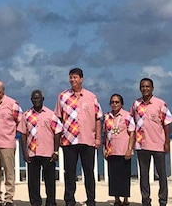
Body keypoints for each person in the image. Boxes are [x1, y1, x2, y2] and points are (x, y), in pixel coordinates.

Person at [54, 68, 103, 206]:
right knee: (69, 172)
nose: (72, 80)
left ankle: (91, 199)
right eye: (70, 77)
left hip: (88, 140)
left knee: (89, 172)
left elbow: (98, 118)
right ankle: (69, 200)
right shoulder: (62, 96)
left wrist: (98, 138)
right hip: (69, 140)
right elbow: (57, 118)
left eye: (75, 77)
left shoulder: (91, 97)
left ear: (81, 79)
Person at [130, 78, 172, 206]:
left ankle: (163, 201)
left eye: (147, 86)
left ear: (152, 88)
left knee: (161, 174)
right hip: (141, 145)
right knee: (143, 176)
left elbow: (167, 123)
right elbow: (131, 123)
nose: (145, 89)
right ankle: (146, 201)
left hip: (158, 144)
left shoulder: (160, 104)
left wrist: (166, 142)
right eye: (142, 86)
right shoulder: (136, 104)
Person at [19, 90, 62, 206]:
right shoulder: (26, 115)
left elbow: (57, 132)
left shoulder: (51, 114)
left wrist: (56, 151)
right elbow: (23, 133)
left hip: (48, 152)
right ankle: (35, 202)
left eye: (38, 98)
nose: (36, 100)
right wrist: (24, 152)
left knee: (49, 180)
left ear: (43, 99)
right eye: (33, 98)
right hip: (32, 152)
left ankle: (51, 202)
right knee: (33, 181)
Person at [103, 94, 134, 206]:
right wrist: (104, 148)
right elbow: (105, 134)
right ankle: (116, 198)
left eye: (117, 102)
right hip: (111, 150)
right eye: (112, 102)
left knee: (125, 175)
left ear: (121, 103)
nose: (114, 104)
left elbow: (131, 133)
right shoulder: (107, 116)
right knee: (114, 175)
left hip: (124, 149)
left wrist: (129, 149)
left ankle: (125, 198)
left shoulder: (127, 115)